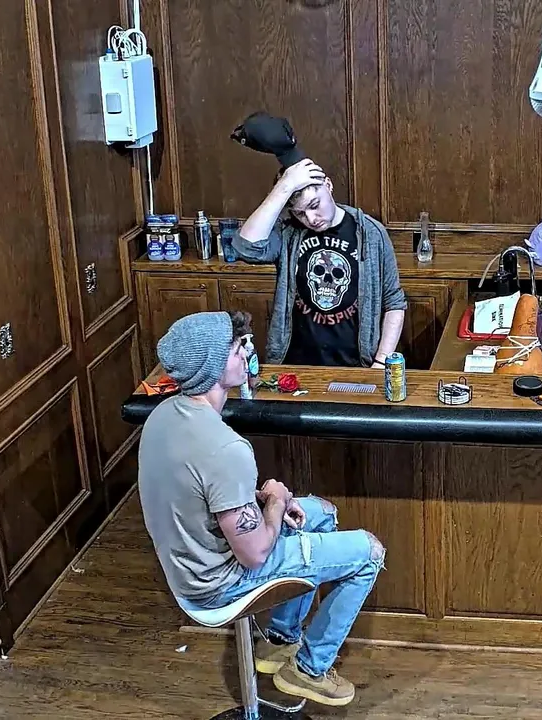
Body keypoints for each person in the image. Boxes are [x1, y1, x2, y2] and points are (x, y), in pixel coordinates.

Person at [137, 310, 385, 707]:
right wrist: (277, 500)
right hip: (218, 583)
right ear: (213, 366)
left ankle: (279, 640)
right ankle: (309, 669)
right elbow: (254, 555)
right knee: (369, 552)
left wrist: (263, 499)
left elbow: (200, 492)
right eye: (237, 348)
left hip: (186, 567)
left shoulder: (162, 416)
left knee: (321, 512)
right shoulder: (227, 448)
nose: (246, 352)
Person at [235, 157, 407, 368]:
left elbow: (394, 302)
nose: (311, 219)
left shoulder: (371, 233)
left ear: (328, 185)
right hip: (295, 364)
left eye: (314, 205)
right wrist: (284, 186)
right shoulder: (288, 232)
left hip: (356, 364)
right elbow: (246, 247)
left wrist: (381, 362)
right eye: (300, 213)